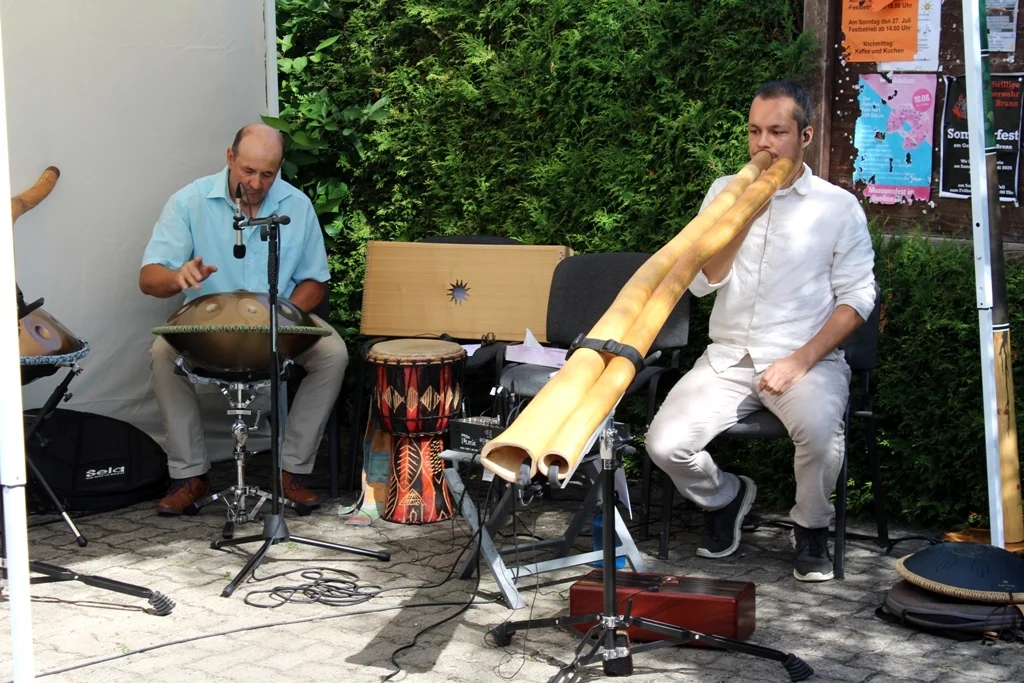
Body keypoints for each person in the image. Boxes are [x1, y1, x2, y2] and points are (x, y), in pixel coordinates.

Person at [645, 80, 876, 582]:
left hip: (804, 359)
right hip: (729, 356)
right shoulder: (722, 192)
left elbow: (858, 299)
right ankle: (727, 497)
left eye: (777, 132)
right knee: (663, 444)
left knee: (818, 432)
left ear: (805, 135)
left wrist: (800, 361)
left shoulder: (838, 207)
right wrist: (742, 213)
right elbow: (705, 283)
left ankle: (811, 528)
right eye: (754, 132)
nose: (763, 145)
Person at [139, 123, 349, 514]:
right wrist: (177, 277)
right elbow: (148, 279)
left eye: (267, 174)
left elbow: (314, 281)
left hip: (277, 319)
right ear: (229, 157)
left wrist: (282, 319)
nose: (255, 183)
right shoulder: (190, 202)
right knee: (162, 352)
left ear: (280, 168)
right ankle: (191, 476)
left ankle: (289, 471)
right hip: (213, 325)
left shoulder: (295, 205)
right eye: (247, 171)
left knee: (333, 354)